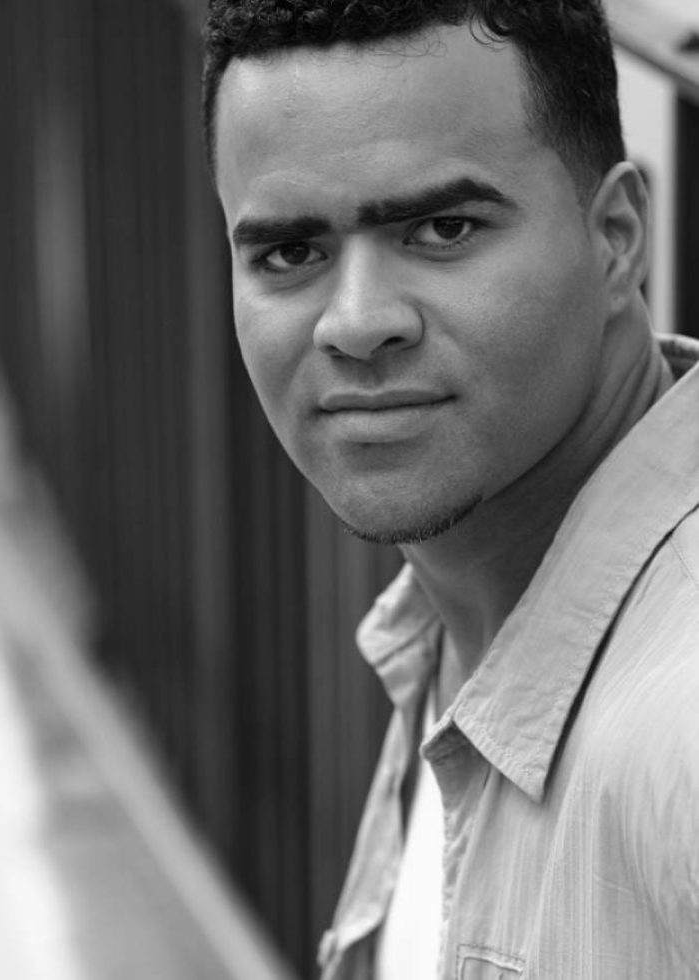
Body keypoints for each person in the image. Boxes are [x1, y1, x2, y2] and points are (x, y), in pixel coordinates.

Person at [202, 1, 699, 976]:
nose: (355, 322)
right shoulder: (458, 604)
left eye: (441, 227)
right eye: (289, 253)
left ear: (615, 237)